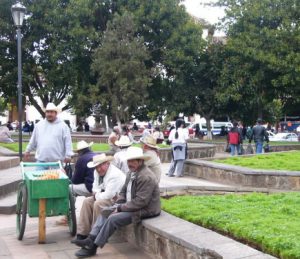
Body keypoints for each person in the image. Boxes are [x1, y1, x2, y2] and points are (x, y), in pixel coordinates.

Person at [72, 147, 161, 258]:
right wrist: (117, 204)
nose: (130, 163)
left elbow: (140, 202)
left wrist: (119, 208)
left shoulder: (145, 176)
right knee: (106, 211)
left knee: (113, 219)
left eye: (133, 161)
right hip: (132, 205)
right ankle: (91, 238)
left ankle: (93, 247)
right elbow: (123, 192)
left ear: (140, 161)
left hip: (145, 210)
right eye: (129, 160)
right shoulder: (131, 173)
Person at [74, 153, 125, 241]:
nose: (98, 169)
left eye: (101, 165)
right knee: (87, 201)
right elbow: (95, 188)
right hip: (106, 196)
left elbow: (109, 194)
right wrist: (97, 193)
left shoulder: (114, 175)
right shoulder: (96, 172)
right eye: (97, 166)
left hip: (118, 200)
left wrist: (97, 194)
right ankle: (82, 233)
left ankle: (95, 235)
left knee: (98, 203)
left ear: (107, 163)